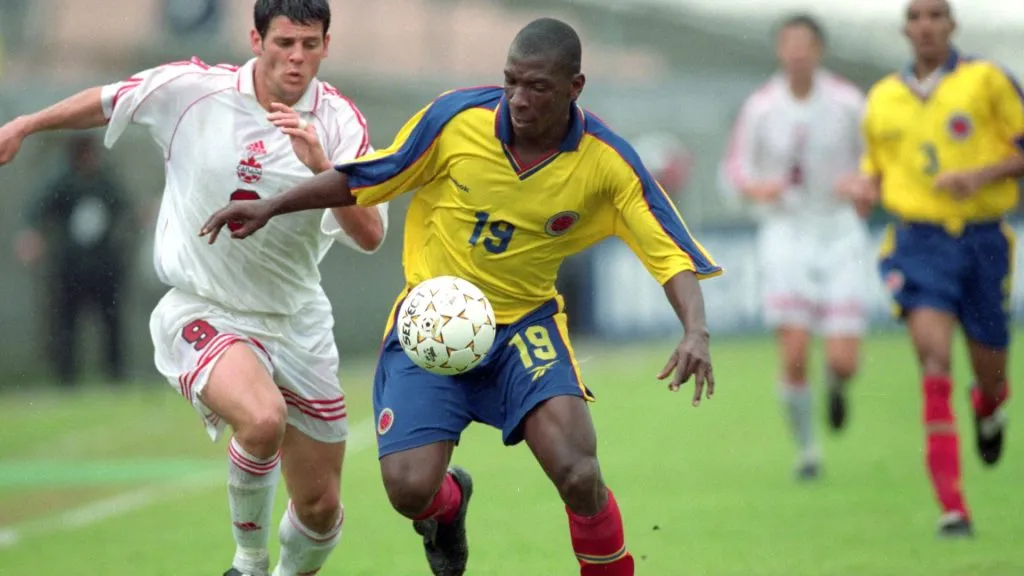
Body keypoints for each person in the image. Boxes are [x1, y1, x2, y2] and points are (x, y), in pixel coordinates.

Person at [200, 17, 720, 576]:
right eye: (511, 81)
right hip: (431, 323)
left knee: (579, 472)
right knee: (409, 490)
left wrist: (695, 329)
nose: (518, 99)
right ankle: (448, 507)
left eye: (537, 87)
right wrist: (271, 205)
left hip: (524, 326)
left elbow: (670, 253)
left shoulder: (607, 161)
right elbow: (367, 176)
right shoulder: (456, 119)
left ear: (575, 87)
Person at [0, 1, 388, 574]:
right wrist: (26, 125)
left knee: (320, 509)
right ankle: (248, 563)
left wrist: (321, 167)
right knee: (262, 419)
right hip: (203, 308)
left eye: (310, 45)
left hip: (296, 320)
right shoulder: (192, 90)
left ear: (326, 46)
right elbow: (108, 100)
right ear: (256, 40)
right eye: (284, 43)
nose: (297, 58)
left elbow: (371, 234)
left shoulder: (339, 122)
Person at [855, 0, 1024, 537]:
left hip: (981, 240)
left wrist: (980, 176)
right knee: (933, 360)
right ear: (904, 28)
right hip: (918, 242)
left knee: (990, 370)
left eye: (935, 15)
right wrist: (864, 189)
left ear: (952, 24)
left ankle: (989, 405)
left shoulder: (988, 80)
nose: (925, 25)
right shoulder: (882, 98)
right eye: (916, 16)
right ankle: (953, 507)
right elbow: (874, 168)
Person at [718, 14, 869, 479]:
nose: (798, 52)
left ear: (819, 49)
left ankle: (837, 387)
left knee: (843, 360)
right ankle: (808, 452)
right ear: (780, 50)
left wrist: (862, 184)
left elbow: (877, 162)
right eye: (790, 44)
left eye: (805, 44)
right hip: (786, 233)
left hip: (840, 232)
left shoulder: (848, 102)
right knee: (795, 351)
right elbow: (734, 171)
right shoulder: (761, 107)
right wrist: (756, 189)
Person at [15, 135, 134, 386]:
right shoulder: (62, 183)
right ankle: (66, 377)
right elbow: (36, 210)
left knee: (111, 322)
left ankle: (115, 375)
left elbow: (126, 209)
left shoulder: (105, 182)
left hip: (104, 267)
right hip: (70, 267)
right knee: (66, 323)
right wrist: (31, 236)